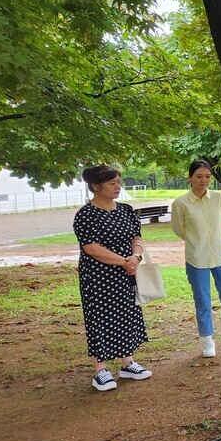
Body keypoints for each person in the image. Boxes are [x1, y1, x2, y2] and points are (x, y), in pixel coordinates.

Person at [73, 165, 153, 392]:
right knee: (100, 318)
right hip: (98, 277)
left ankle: (128, 363)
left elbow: (137, 237)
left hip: (127, 273)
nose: (117, 186)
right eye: (112, 183)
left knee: (128, 313)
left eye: (118, 182)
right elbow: (92, 248)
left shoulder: (126, 210)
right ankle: (100, 370)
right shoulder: (86, 215)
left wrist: (135, 257)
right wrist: (124, 261)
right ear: (96, 187)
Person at [171, 159, 221, 358]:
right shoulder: (181, 203)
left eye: (207, 176)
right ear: (189, 178)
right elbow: (180, 230)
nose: (203, 180)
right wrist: (199, 242)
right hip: (197, 258)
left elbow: (220, 222)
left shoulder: (219, 198)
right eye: (199, 176)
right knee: (203, 301)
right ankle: (207, 340)